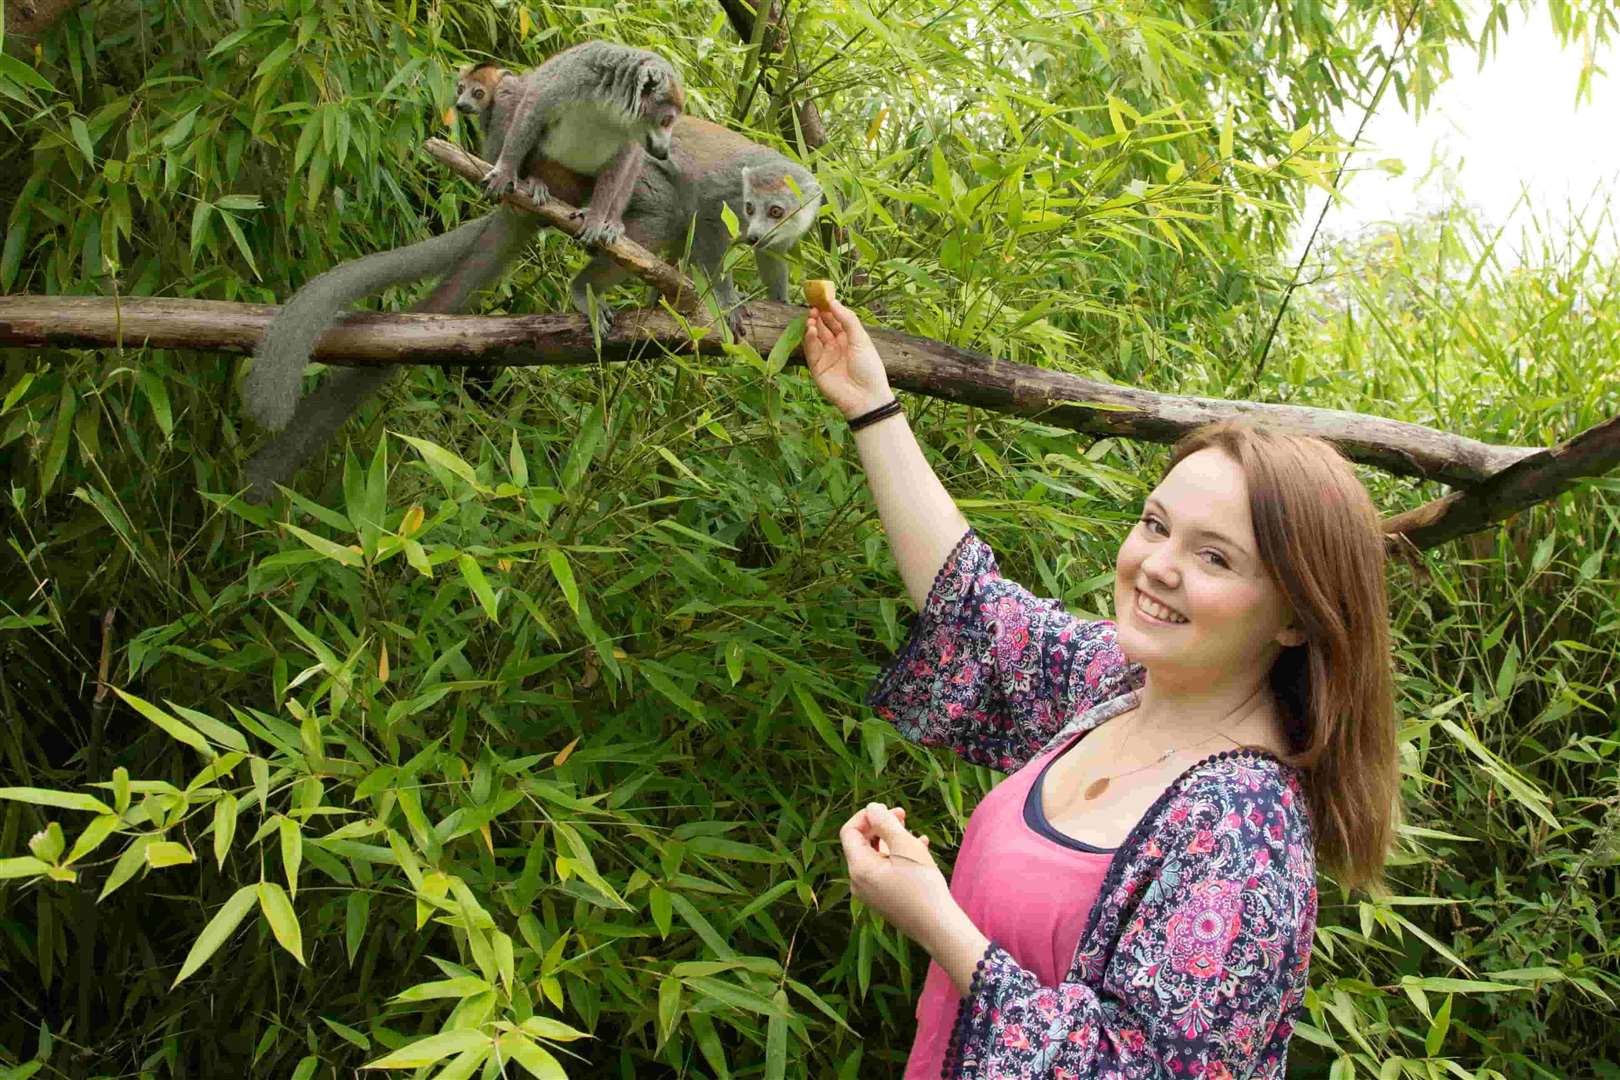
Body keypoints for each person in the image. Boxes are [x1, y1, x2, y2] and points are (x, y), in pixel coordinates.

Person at [801, 298, 1399, 1078]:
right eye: (1156, 525)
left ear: (1295, 617)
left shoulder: (1243, 834)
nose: (1158, 566)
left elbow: (1135, 1070)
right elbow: (976, 609)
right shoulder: (1116, 689)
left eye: (1215, 558)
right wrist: (871, 405)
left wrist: (936, 919)